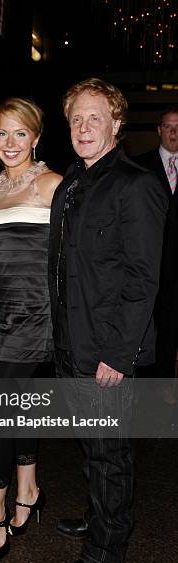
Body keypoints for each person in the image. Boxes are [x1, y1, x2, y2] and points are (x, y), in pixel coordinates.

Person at [48, 78, 167, 563]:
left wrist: (118, 356)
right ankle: (102, 518)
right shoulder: (73, 180)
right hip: (72, 341)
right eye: (76, 118)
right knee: (92, 444)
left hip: (107, 348)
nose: (83, 127)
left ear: (117, 124)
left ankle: (106, 549)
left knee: (110, 453)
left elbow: (144, 280)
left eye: (95, 117)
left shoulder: (136, 184)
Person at [0, 97, 62, 563]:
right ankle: (29, 487)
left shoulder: (53, 185)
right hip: (3, 313)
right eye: (1, 133)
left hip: (39, 314)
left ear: (36, 137)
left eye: (20, 133)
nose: (11, 143)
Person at [135, 107, 178, 402]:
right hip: (148, 263)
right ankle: (146, 395)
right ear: (159, 130)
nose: (174, 132)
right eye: (168, 126)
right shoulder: (139, 167)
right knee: (146, 329)